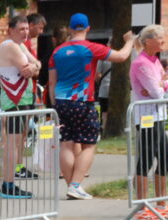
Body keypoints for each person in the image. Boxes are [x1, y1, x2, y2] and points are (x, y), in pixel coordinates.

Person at [48, 13, 134, 200]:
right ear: (88, 28)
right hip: (83, 101)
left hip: (61, 102)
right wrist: (129, 42)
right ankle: (75, 186)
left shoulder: (57, 52)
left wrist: (54, 105)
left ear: (70, 29)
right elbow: (121, 56)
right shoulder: (91, 48)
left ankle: (72, 186)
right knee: (89, 144)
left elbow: (52, 82)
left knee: (66, 143)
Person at [129, 25, 168, 220]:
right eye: (160, 37)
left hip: (159, 115)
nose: (164, 41)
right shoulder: (141, 63)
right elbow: (157, 93)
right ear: (148, 41)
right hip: (146, 117)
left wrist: (163, 84)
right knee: (146, 159)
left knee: (165, 159)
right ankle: (141, 206)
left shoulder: (155, 61)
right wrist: (162, 86)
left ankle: (161, 203)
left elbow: (165, 84)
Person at [0, 14, 42, 198]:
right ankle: (8, 185)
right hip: (14, 101)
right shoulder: (11, 47)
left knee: (15, 142)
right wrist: (34, 66)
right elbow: (28, 71)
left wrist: (35, 66)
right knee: (12, 144)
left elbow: (36, 64)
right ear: (11, 30)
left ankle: (9, 183)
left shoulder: (20, 46)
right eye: (21, 29)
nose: (25, 32)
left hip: (21, 100)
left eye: (27, 28)